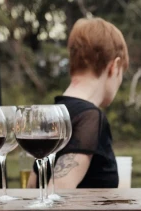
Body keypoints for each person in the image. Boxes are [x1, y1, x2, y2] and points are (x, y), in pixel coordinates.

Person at [50, 18, 128, 188]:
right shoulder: (89, 117)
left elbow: (33, 187)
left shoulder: (53, 113)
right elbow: (57, 192)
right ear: (114, 66)